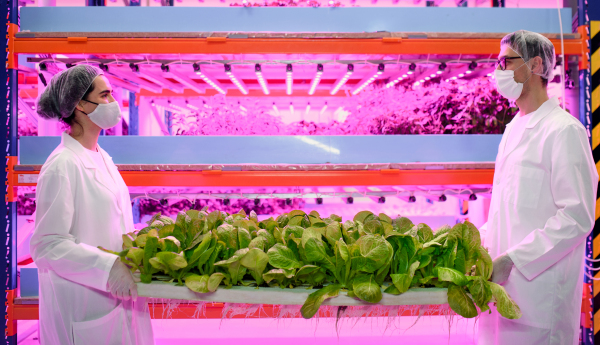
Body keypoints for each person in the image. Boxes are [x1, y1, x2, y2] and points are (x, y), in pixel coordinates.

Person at [478, 30, 598, 345]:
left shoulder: (564, 131)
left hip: (540, 305)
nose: (498, 71)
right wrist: (476, 241)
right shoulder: (513, 129)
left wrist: (514, 259)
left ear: (534, 65)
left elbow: (576, 217)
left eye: (505, 61)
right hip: (500, 301)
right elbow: (507, 210)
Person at [30, 65, 154, 345]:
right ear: (80, 105)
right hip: (84, 306)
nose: (113, 103)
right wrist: (107, 267)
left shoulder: (102, 157)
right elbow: (47, 245)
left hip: (116, 302)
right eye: (105, 95)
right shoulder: (62, 165)